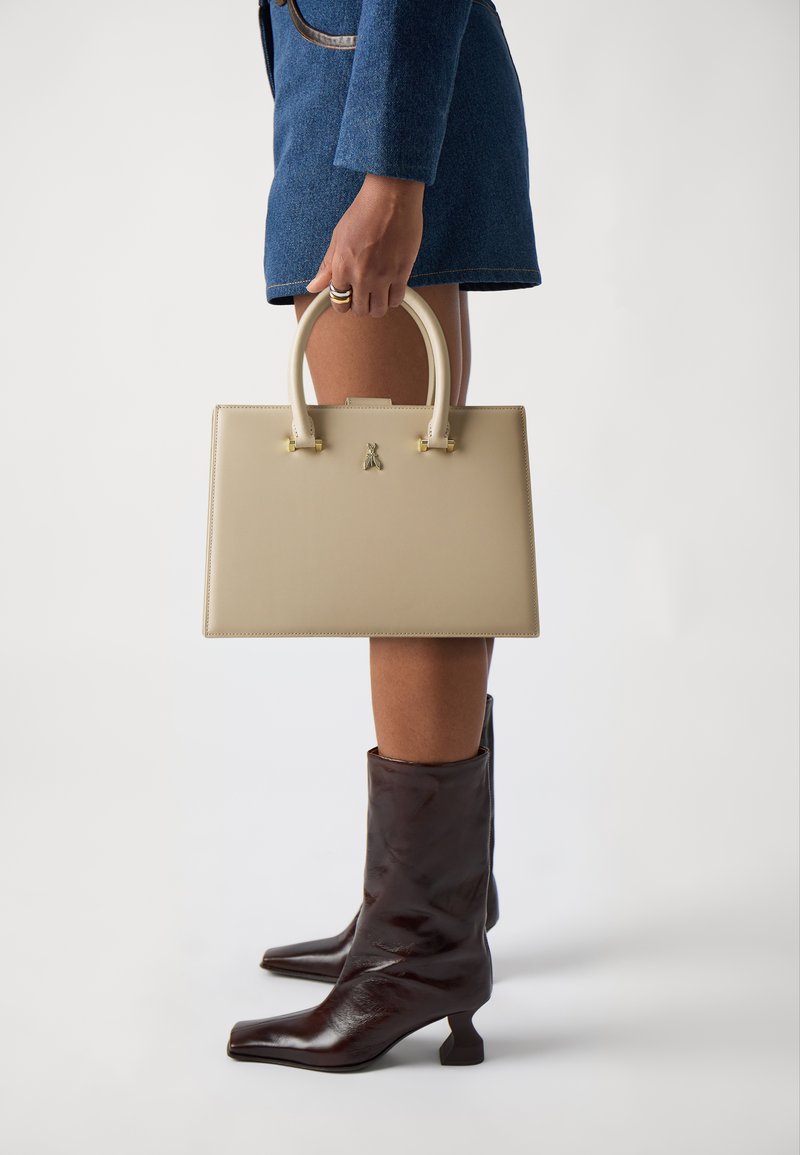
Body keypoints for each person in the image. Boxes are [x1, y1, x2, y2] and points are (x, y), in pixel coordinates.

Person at [227, 0, 543, 1072]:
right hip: (368, 115)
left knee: (408, 551)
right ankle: (420, 907)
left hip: (376, 131)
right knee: (413, 525)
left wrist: (390, 175)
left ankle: (421, 941)